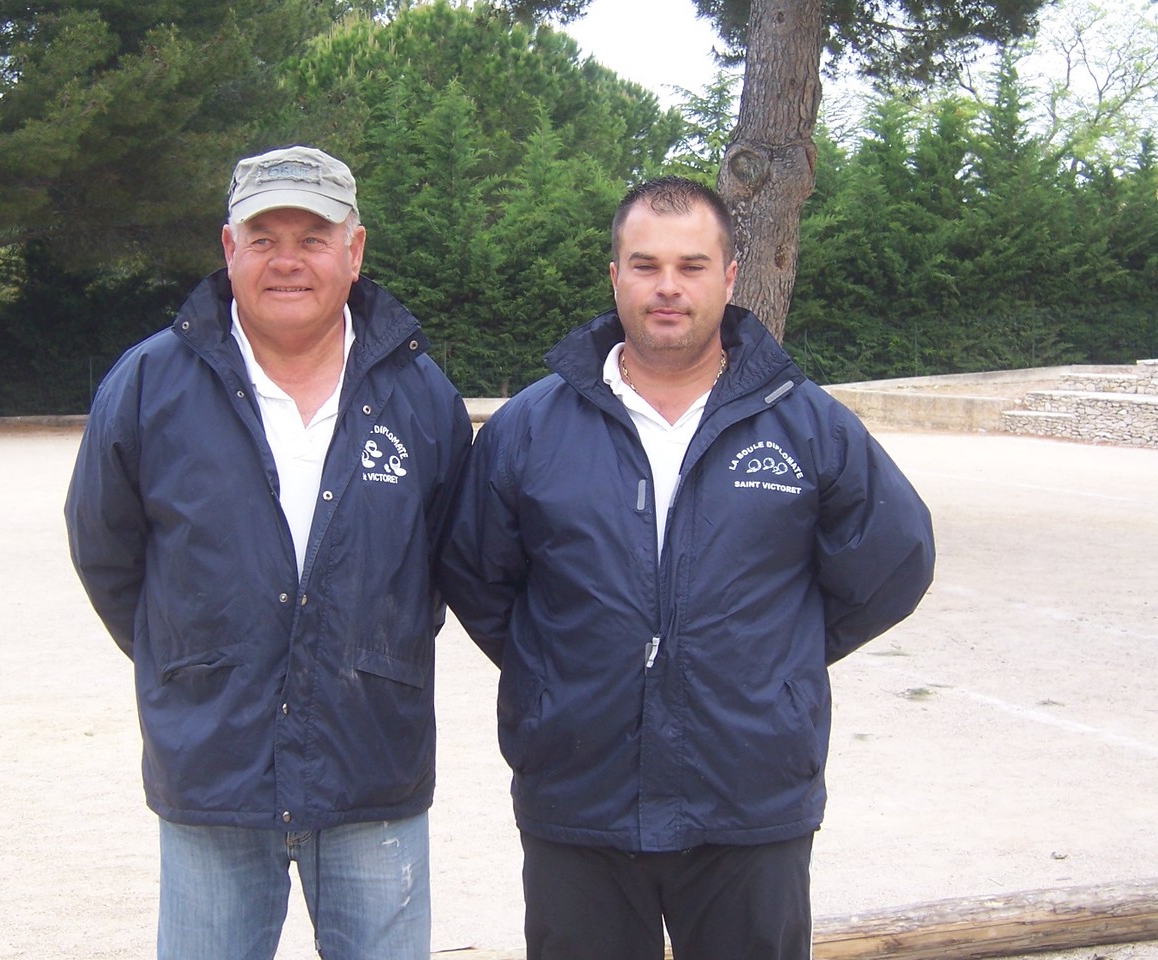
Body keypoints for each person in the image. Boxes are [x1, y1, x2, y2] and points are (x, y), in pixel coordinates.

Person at [438, 176, 936, 960]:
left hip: (749, 794)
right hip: (580, 793)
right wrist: (560, 664)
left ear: (730, 277)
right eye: (645, 264)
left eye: (692, 265)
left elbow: (895, 559)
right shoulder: (530, 428)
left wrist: (775, 659)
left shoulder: (805, 424)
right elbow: (477, 573)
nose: (667, 287)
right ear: (614, 276)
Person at [65, 145, 473, 960]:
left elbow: (440, 564)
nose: (288, 260)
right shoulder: (147, 387)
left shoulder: (421, 395)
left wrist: (362, 652)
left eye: (314, 236)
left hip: (372, 768)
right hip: (212, 766)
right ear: (228, 248)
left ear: (354, 252)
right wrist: (193, 658)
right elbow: (108, 553)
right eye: (263, 237)